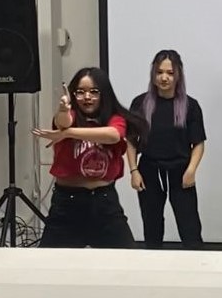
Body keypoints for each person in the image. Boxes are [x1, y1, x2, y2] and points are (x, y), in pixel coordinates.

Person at [33, 66, 147, 248]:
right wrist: (63, 110)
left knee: (126, 257)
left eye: (94, 92)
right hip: (67, 203)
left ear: (104, 94)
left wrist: (68, 133)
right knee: (51, 260)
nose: (87, 97)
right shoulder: (71, 115)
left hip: (104, 202)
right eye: (80, 92)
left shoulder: (114, 118)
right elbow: (63, 122)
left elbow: (113, 135)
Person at [127, 49, 206, 250]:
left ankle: (196, 263)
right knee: (151, 224)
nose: (164, 78)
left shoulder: (190, 106)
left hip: (181, 170)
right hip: (149, 170)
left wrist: (191, 170)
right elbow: (131, 141)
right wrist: (134, 171)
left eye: (170, 73)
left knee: (189, 226)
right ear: (153, 74)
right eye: (159, 72)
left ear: (178, 75)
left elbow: (198, 143)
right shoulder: (140, 103)